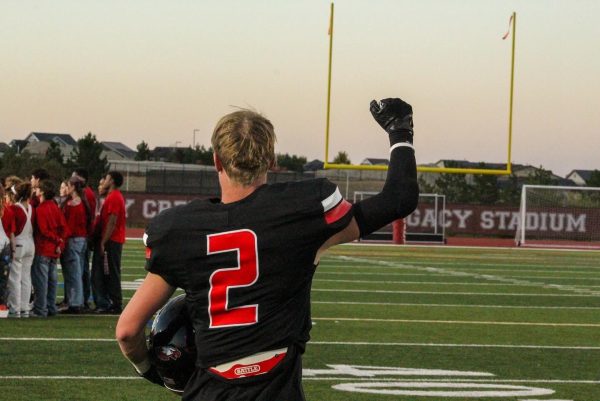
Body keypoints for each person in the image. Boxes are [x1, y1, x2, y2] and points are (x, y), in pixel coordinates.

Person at [116, 98, 418, 401]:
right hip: (277, 390)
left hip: (210, 391)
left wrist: (154, 371)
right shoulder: (301, 214)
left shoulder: (178, 231)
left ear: (217, 161)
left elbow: (127, 331)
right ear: (271, 160)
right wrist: (399, 131)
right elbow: (399, 198)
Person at [31, 180, 68, 318]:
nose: (35, 190)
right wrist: (60, 243)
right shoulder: (54, 206)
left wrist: (57, 240)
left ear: (42, 192)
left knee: (41, 283)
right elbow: (64, 228)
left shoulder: (40, 209)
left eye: (37, 189)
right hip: (54, 250)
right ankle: (51, 307)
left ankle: (40, 309)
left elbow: (44, 230)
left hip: (43, 248)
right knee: (52, 282)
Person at [92, 171, 126, 314]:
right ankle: (112, 302)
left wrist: (103, 241)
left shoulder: (114, 197)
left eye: (106, 178)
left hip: (112, 241)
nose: (104, 181)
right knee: (108, 272)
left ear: (111, 180)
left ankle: (115, 302)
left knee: (110, 272)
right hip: (113, 240)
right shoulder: (113, 197)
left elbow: (112, 222)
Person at [61, 176, 93, 314]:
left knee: (73, 273)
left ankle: (75, 302)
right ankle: (77, 301)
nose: (65, 189)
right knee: (78, 272)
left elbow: (69, 226)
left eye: (67, 186)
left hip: (73, 240)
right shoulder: (83, 202)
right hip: (81, 240)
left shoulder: (72, 204)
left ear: (73, 187)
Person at [6, 182, 35, 318]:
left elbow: (13, 229)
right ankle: (25, 307)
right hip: (30, 243)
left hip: (19, 243)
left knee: (15, 278)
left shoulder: (14, 208)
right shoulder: (30, 207)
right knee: (26, 277)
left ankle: (15, 308)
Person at [72, 168, 97, 311]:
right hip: (85, 235)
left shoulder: (85, 194)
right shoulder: (87, 193)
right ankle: (82, 298)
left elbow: (88, 216)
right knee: (82, 269)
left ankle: (82, 299)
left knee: (80, 270)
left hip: (82, 235)